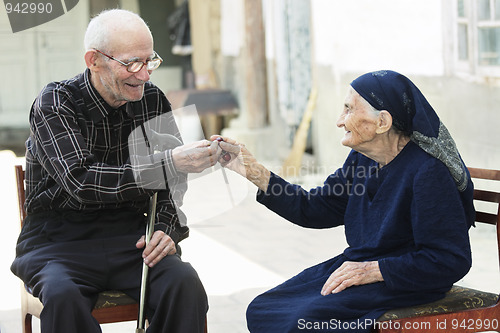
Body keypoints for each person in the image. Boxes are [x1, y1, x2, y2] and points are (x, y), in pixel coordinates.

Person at [213, 70, 475, 332]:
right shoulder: (362, 160)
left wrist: (375, 270)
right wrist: (252, 170)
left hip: (404, 282)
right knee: (264, 308)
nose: (340, 121)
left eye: (348, 110)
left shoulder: (428, 171)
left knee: (302, 324)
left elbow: (450, 259)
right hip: (360, 269)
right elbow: (314, 209)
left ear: (382, 122)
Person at [11, 9, 220, 333]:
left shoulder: (152, 100)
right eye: (131, 63)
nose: (145, 75)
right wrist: (168, 164)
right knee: (62, 295)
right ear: (94, 60)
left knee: (184, 283)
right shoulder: (56, 101)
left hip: (132, 237)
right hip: (59, 243)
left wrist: (165, 229)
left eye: (149, 61)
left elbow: (172, 184)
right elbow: (81, 181)